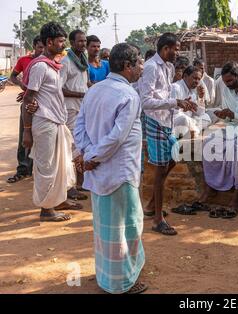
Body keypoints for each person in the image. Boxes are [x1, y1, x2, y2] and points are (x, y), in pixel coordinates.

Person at [74, 43, 147, 294]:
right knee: (125, 227)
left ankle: (108, 275)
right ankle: (122, 282)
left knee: (105, 226)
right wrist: (91, 156)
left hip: (100, 170)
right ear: (127, 66)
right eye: (138, 62)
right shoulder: (128, 95)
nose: (141, 67)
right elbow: (117, 137)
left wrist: (87, 154)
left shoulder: (95, 90)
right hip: (118, 172)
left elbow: (79, 126)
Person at [21, 22, 83, 222]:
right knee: (46, 167)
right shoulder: (40, 66)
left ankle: (58, 200)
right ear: (49, 42)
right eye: (60, 42)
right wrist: (27, 131)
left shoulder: (53, 65)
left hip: (56, 121)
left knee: (60, 165)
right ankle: (47, 210)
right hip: (45, 122)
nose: (63, 45)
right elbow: (28, 99)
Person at [139, 32, 197, 236]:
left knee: (173, 158)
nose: (178, 52)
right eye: (176, 48)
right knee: (161, 167)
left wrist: (182, 103)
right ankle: (157, 219)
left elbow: (166, 96)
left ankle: (151, 206)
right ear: (166, 49)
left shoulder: (170, 67)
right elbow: (145, 101)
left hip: (167, 120)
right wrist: (175, 103)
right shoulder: (151, 67)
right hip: (154, 120)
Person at [196, 61, 238, 218]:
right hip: (232, 128)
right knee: (208, 143)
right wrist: (225, 115)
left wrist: (235, 115)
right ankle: (210, 186)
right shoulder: (225, 87)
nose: (227, 85)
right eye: (225, 81)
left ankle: (236, 194)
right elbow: (229, 117)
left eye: (230, 81)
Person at [7, 36, 44, 184]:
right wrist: (23, 86)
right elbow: (13, 76)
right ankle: (23, 169)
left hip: (43, 104)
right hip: (28, 103)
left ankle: (37, 169)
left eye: (44, 48)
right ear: (34, 46)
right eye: (40, 47)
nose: (42, 51)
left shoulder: (50, 63)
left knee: (41, 137)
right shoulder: (24, 60)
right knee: (25, 135)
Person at [60, 29, 89, 201]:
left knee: (80, 147)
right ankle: (69, 187)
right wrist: (81, 95)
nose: (83, 44)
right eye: (80, 41)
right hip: (70, 110)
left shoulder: (82, 61)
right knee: (71, 148)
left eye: (84, 41)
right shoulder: (66, 61)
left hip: (82, 110)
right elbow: (60, 88)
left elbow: (83, 84)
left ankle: (78, 183)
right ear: (71, 43)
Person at [171, 66, 212, 137]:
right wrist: (183, 108)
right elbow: (173, 114)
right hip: (177, 123)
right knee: (184, 120)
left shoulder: (192, 92)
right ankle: (194, 131)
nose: (197, 82)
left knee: (207, 116)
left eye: (199, 79)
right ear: (185, 76)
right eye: (195, 78)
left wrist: (201, 97)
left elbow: (200, 112)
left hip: (190, 122)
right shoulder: (175, 88)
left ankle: (193, 131)